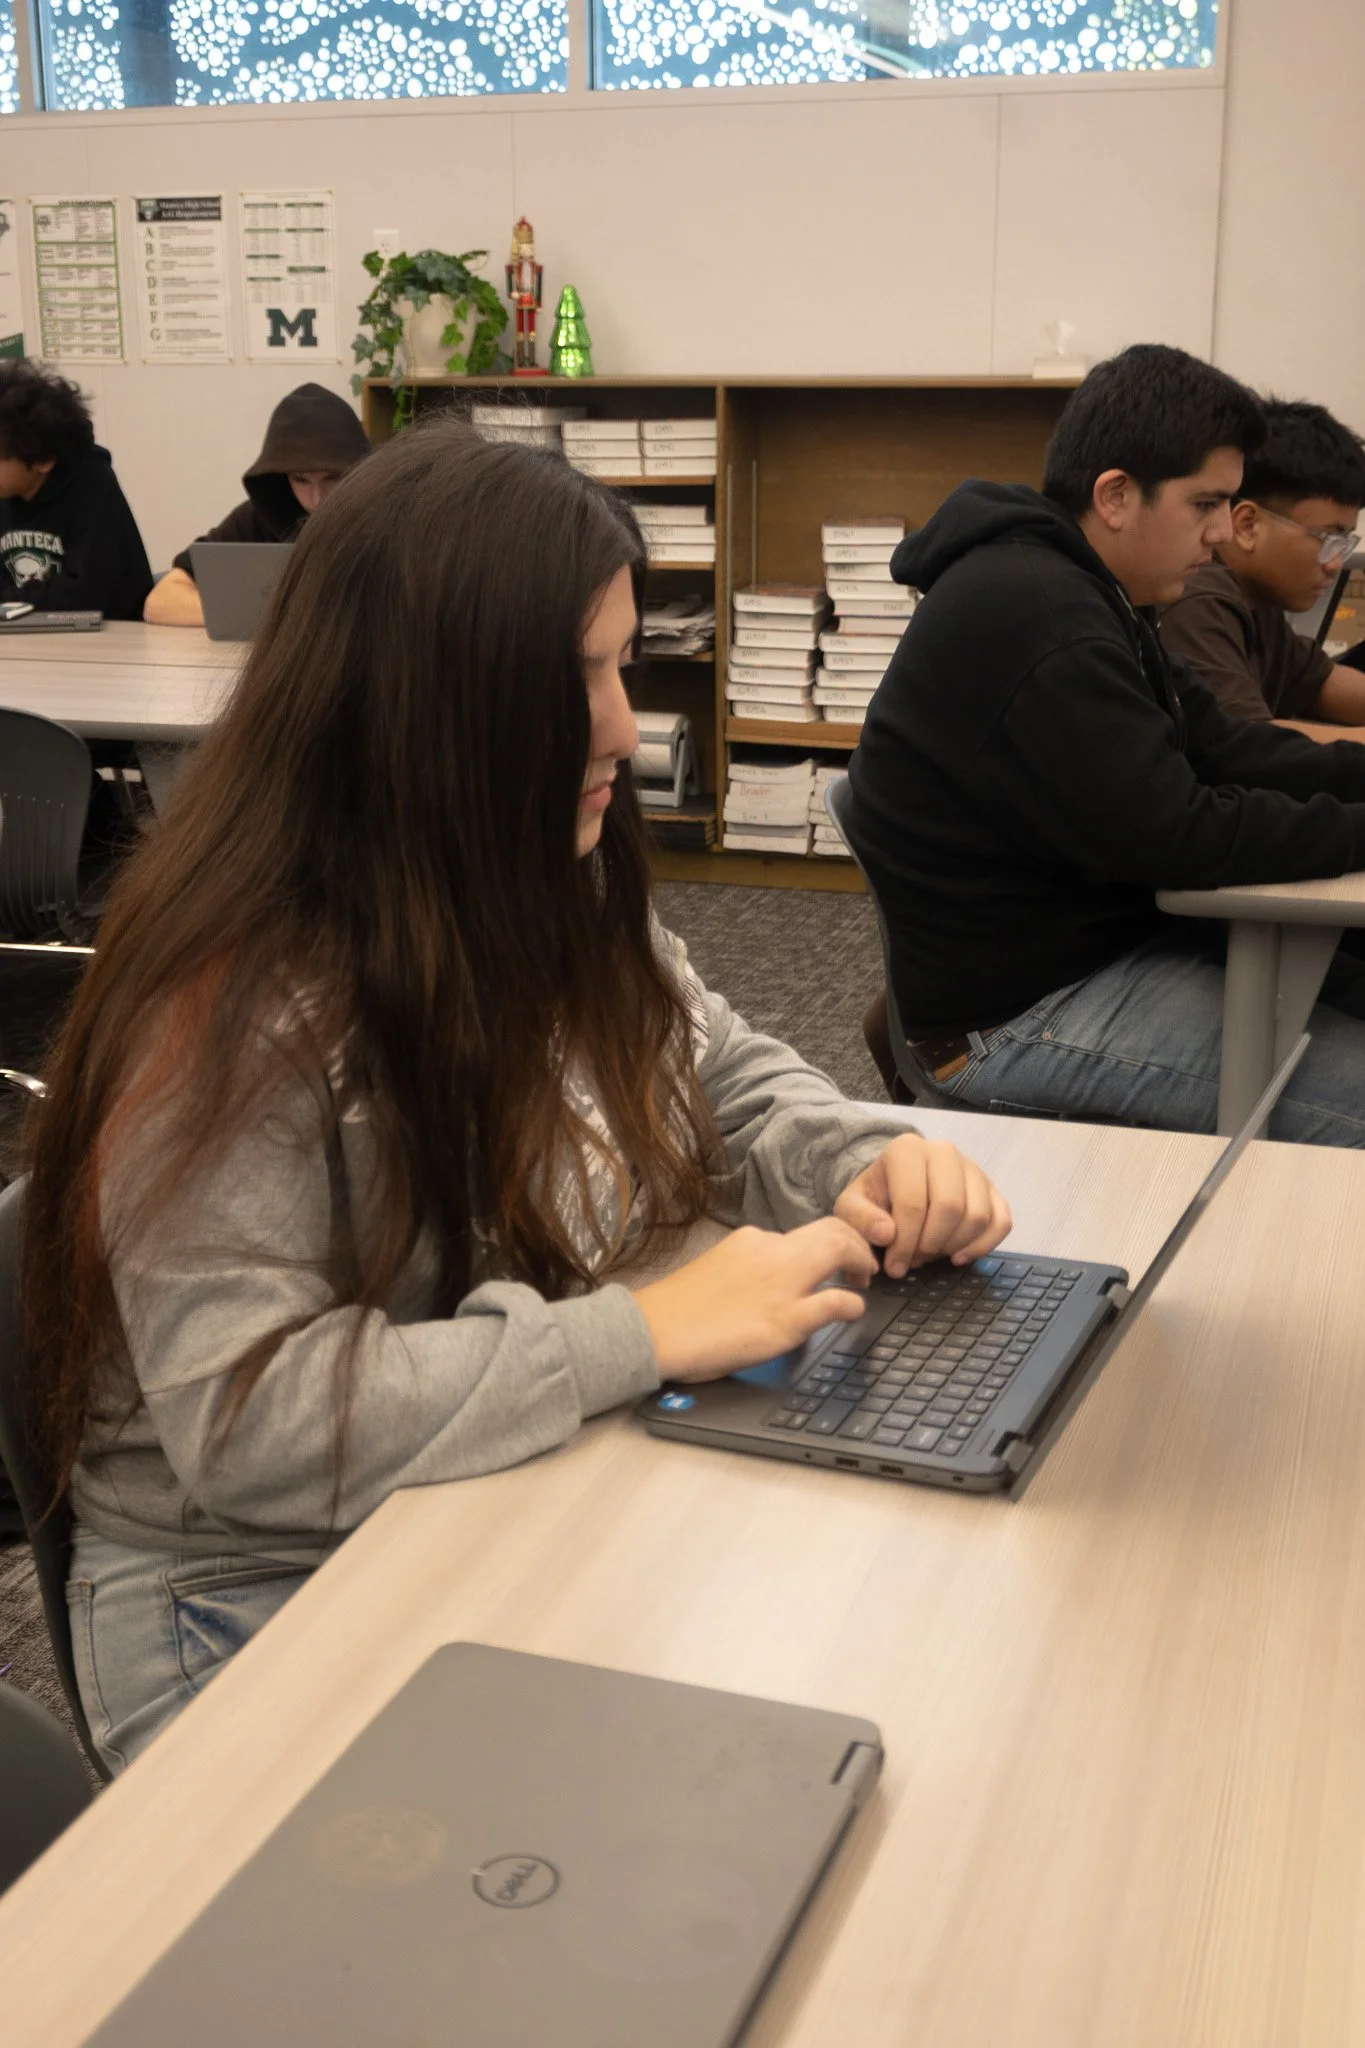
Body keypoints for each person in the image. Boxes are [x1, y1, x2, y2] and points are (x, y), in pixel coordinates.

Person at [22, 422, 1011, 1773]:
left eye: (618, 667)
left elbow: (707, 1064)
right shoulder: (235, 996)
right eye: (578, 679)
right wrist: (641, 1333)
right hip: (241, 1593)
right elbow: (250, 1424)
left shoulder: (537, 863)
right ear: (438, 704)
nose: (625, 726)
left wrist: (858, 1155)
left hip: (470, 1483)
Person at [846, 343, 1365, 1144]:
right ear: (1116, 496)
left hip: (1089, 954)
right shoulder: (1042, 615)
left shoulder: (1091, 592)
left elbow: (1225, 746)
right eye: (1205, 504)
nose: (1224, 532)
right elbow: (1180, 835)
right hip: (1014, 1016)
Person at [1158, 398, 1365, 736]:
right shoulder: (1198, 599)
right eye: (1327, 537)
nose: (1336, 562)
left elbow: (1322, 682)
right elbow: (1250, 747)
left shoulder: (1258, 601)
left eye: (1344, 543)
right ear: (1248, 526)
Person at [143, 383, 369, 625]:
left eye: (332, 478)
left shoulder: (388, 517)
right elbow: (160, 601)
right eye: (300, 479)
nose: (316, 499)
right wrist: (271, 620)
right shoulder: (261, 516)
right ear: (281, 478)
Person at [0, 359, 151, 619]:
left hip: (108, 642)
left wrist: (11, 600)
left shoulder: (92, 484)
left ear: (43, 460)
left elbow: (88, 595)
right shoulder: (7, 490)